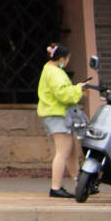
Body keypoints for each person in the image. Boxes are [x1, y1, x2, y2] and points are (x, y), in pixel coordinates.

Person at [37, 42, 86, 198]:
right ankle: (56, 187)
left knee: (71, 152)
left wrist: (76, 89)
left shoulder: (49, 70)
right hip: (58, 115)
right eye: (68, 58)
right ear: (62, 58)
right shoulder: (55, 73)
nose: (68, 61)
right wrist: (78, 89)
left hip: (57, 114)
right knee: (63, 152)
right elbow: (63, 94)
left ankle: (80, 184)